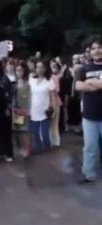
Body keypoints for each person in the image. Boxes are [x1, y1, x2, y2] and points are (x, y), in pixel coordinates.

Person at [75, 35, 102, 184]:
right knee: (90, 147)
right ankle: (89, 174)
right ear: (90, 51)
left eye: (99, 47)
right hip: (89, 115)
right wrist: (99, 83)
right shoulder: (84, 68)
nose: (97, 51)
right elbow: (78, 86)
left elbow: (85, 85)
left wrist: (90, 82)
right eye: (93, 48)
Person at [29, 60, 55, 152]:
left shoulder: (49, 80)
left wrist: (51, 106)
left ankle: (47, 147)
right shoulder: (31, 79)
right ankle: (37, 147)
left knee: (44, 133)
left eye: (41, 67)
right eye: (37, 67)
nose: (39, 69)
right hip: (33, 109)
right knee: (34, 131)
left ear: (45, 69)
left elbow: (52, 96)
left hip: (45, 109)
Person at [12, 62, 31, 157]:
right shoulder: (14, 84)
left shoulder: (28, 83)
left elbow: (30, 98)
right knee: (17, 130)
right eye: (17, 70)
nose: (19, 72)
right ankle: (20, 147)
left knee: (25, 131)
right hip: (16, 111)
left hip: (25, 110)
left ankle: (26, 148)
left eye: (21, 70)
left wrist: (28, 110)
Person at [50, 60, 64, 147]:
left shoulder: (55, 78)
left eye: (54, 66)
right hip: (47, 102)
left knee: (54, 123)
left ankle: (55, 141)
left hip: (55, 101)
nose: (53, 68)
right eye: (51, 66)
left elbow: (57, 90)